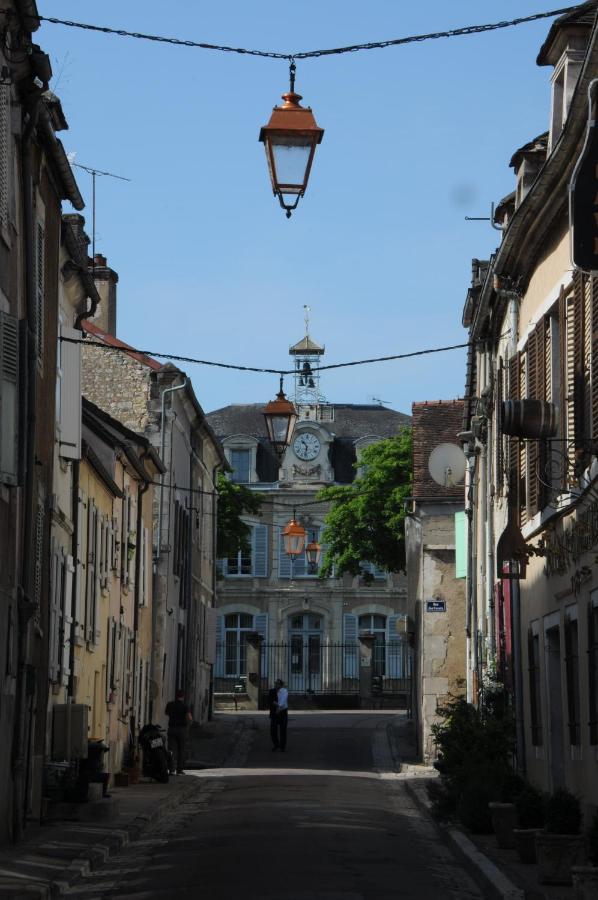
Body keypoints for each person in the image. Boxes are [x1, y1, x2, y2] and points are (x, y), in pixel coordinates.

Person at [165, 689, 192, 774]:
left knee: (171, 749)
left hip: (172, 728)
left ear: (175, 696)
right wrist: (189, 725)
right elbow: (189, 717)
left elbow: (166, 713)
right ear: (183, 696)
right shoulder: (185, 706)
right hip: (182, 730)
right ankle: (179, 770)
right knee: (181, 750)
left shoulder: (170, 704)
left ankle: (171, 769)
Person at [269, 678, 288, 752]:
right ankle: (276, 744)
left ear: (281, 685)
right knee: (273, 730)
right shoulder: (272, 691)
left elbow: (283, 701)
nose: (276, 685)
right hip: (274, 712)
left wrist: (279, 707)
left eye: (277, 683)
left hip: (282, 712)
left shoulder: (284, 691)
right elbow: (270, 700)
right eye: (275, 683)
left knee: (283, 730)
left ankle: (282, 746)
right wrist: (277, 706)